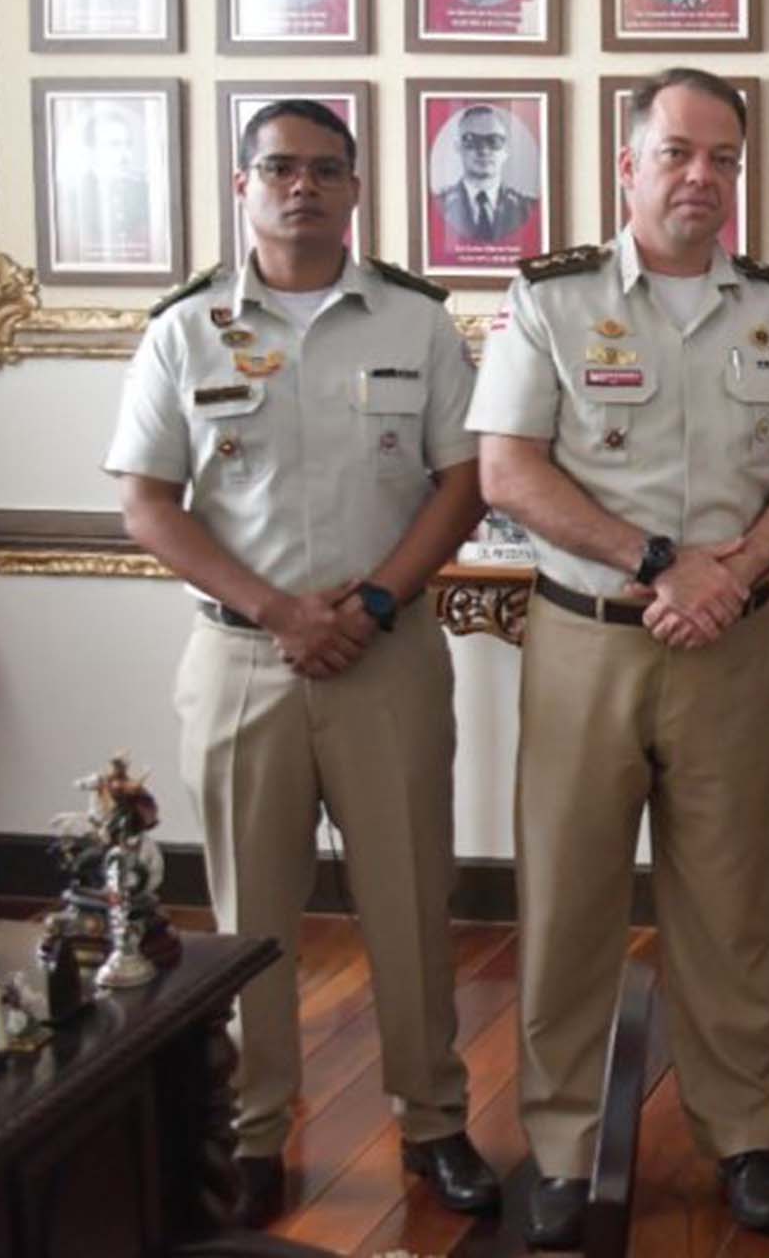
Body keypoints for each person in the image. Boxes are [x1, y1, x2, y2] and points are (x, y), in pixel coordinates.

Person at [104, 99, 500, 1232]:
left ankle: (433, 1121)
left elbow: (462, 483)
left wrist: (371, 603)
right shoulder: (185, 330)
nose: (303, 187)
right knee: (250, 912)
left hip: (386, 654)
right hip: (243, 660)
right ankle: (256, 1131)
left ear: (358, 188)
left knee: (413, 896)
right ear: (243, 185)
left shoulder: (416, 322)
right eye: (279, 167)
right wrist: (280, 609)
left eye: (327, 169)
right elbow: (145, 504)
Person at [468, 69, 769, 1251]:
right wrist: (661, 559)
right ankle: (567, 1146)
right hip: (588, 641)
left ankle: (744, 1136)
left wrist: (729, 577)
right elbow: (508, 470)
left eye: (724, 157)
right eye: (678, 152)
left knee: (732, 907)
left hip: (729, 642)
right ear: (626, 164)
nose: (702, 177)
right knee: (571, 898)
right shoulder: (552, 301)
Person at [58, 103, 155, 267]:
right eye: (114, 145)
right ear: (92, 150)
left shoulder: (143, 191)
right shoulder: (75, 194)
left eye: (128, 144)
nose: (124, 154)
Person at [435, 106, 538, 248]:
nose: (483, 150)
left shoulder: (528, 208)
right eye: (471, 140)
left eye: (494, 141)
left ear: (506, 150)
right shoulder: (438, 206)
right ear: (458, 147)